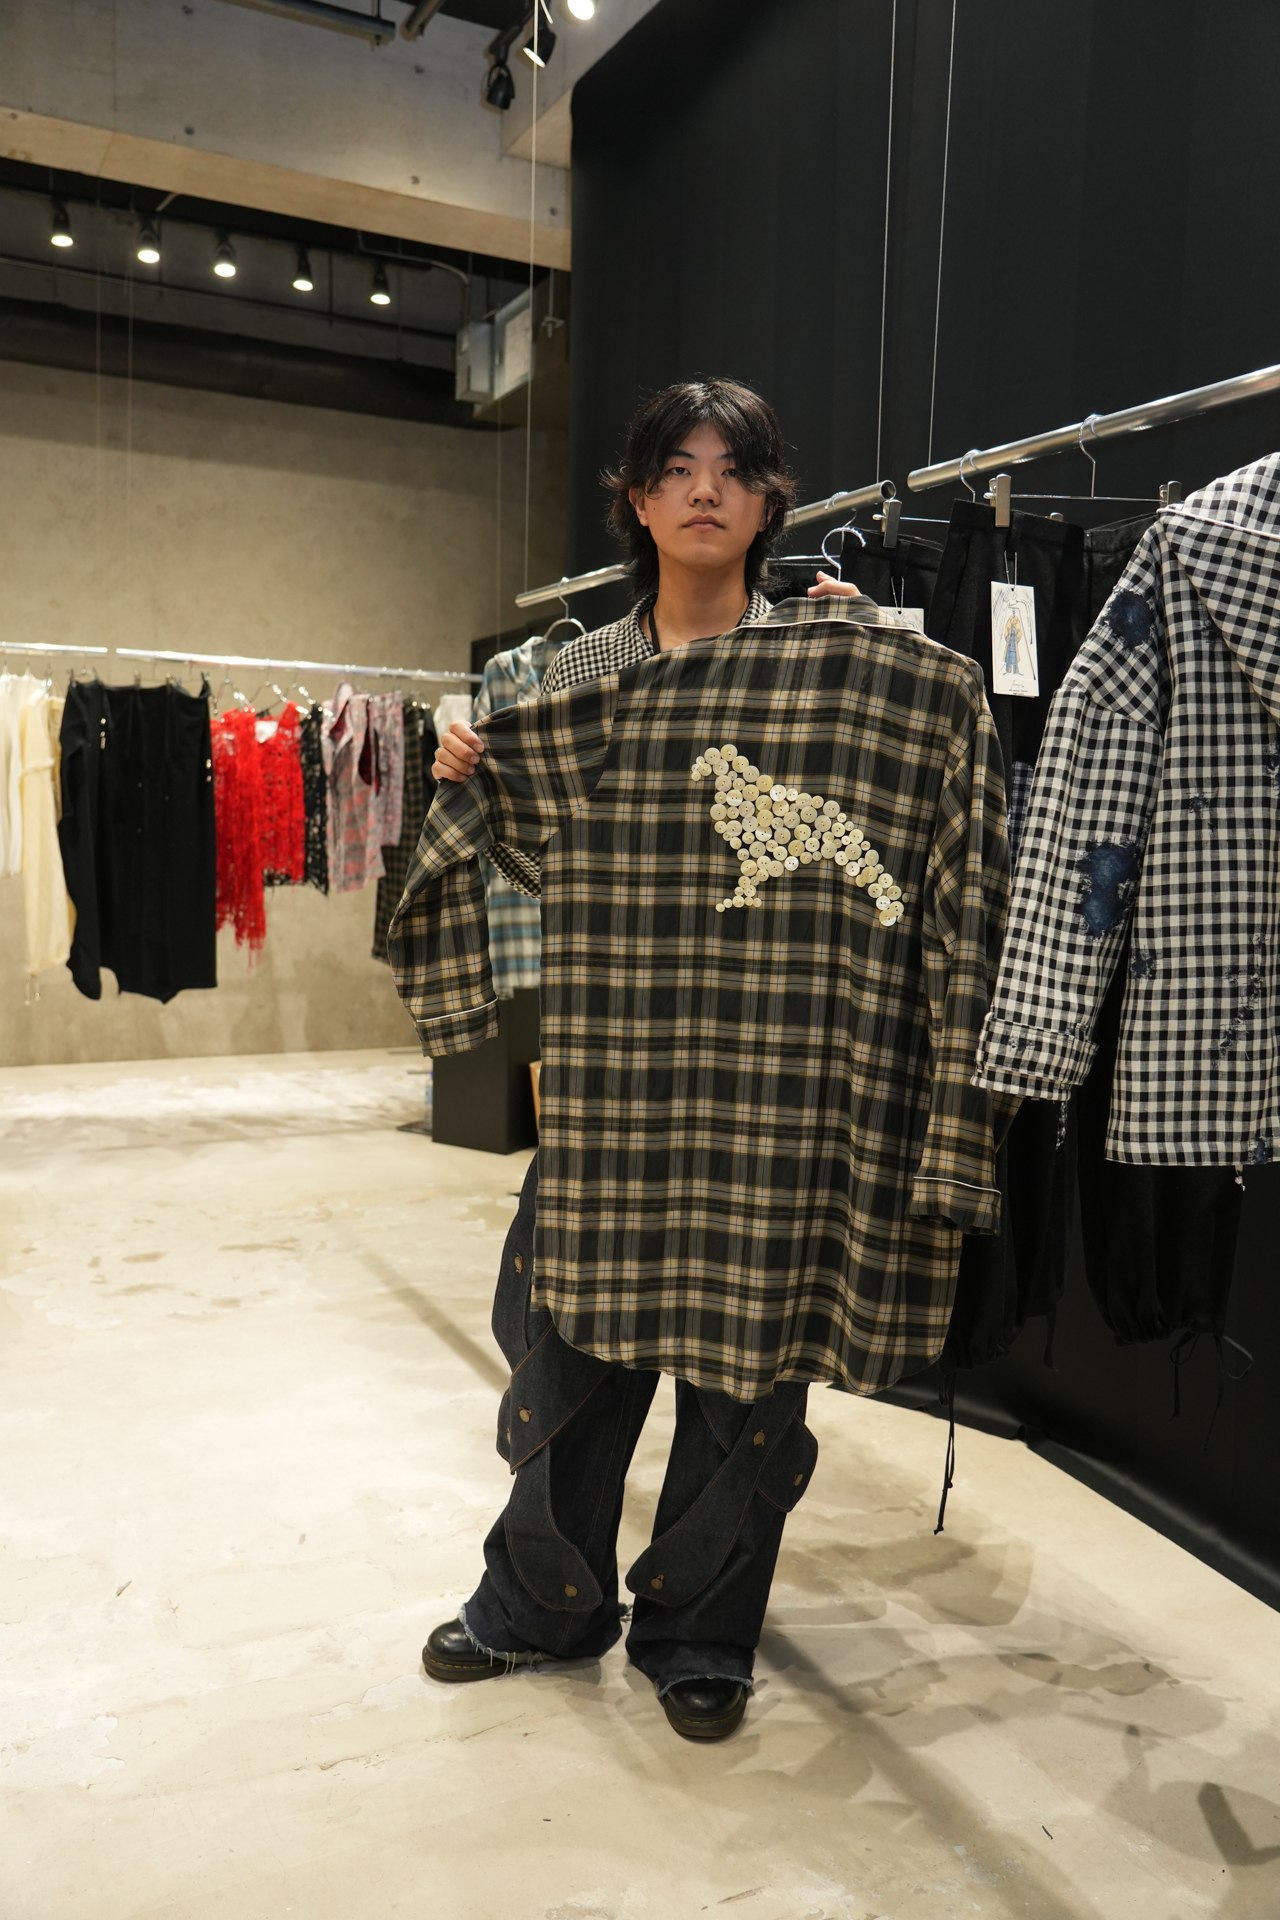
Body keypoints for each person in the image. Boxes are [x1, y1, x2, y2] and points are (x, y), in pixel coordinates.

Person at [424, 380, 844, 1741]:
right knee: (570, 1348)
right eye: (677, 466)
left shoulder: (822, 660)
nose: (705, 489)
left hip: (771, 1067)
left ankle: (702, 1631)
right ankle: (539, 1606)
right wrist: (470, 777)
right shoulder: (568, 675)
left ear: (770, 502)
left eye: (734, 467)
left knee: (744, 1364)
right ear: (639, 498)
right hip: (612, 1061)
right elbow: (523, 868)